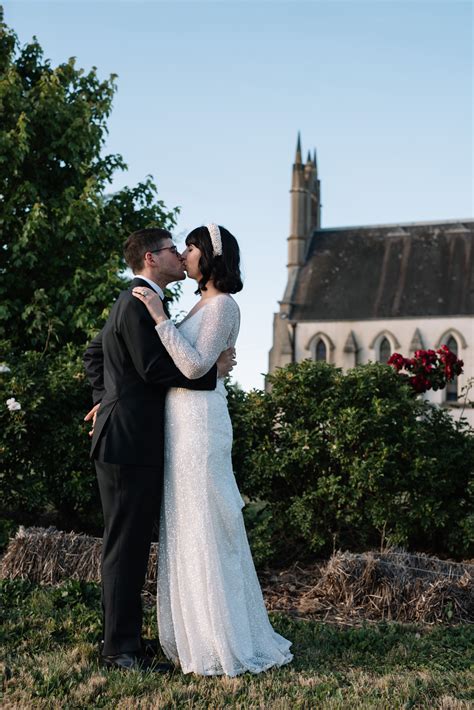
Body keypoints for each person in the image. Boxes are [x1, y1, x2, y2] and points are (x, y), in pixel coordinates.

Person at [132, 223, 293, 676]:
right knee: (186, 524)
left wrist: (162, 321)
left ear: (210, 257)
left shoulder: (223, 305)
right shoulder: (202, 303)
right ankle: (194, 634)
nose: (183, 253)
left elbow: (195, 363)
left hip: (201, 426)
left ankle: (221, 639)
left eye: (191, 247)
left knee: (206, 523)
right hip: (180, 424)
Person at [83, 227, 235, 673]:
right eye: (173, 249)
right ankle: (119, 651)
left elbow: (96, 355)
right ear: (152, 258)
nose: (179, 255)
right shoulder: (136, 301)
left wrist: (102, 397)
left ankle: (125, 641)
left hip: (129, 437)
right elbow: (151, 369)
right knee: (125, 548)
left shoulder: (145, 301)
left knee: (128, 546)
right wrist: (212, 375)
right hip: (128, 441)